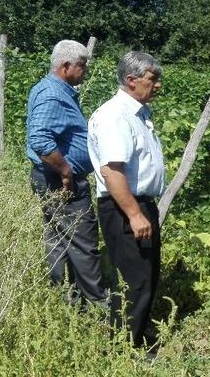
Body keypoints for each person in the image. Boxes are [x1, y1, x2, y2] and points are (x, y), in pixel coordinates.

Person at [87, 51, 165, 347]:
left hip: (139, 204)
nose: (157, 85)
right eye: (152, 79)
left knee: (147, 274)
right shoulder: (115, 115)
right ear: (131, 80)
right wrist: (134, 214)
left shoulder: (138, 114)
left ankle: (140, 334)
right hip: (124, 206)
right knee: (135, 279)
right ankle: (126, 347)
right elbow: (113, 172)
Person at [26, 40, 106, 306]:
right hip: (59, 181)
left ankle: (61, 300)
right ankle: (97, 307)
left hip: (50, 178)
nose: (85, 71)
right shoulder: (52, 95)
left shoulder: (54, 90)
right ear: (65, 66)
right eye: (82, 66)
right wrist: (65, 171)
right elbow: (39, 139)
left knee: (58, 239)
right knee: (83, 242)